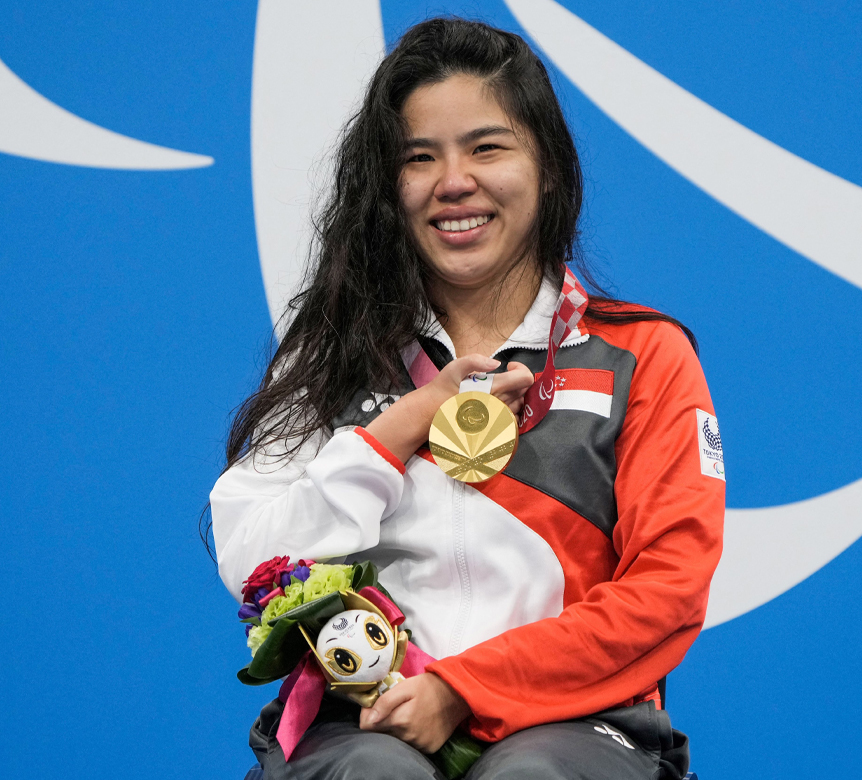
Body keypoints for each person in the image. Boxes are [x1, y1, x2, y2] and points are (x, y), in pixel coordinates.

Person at [209, 17, 724, 780]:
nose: (454, 182)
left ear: (547, 166)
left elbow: (668, 590)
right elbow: (253, 557)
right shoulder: (336, 357)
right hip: (363, 721)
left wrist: (463, 687)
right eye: (419, 158)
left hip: (576, 725)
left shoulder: (642, 355)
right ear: (389, 189)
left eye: (487, 147)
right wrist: (399, 429)